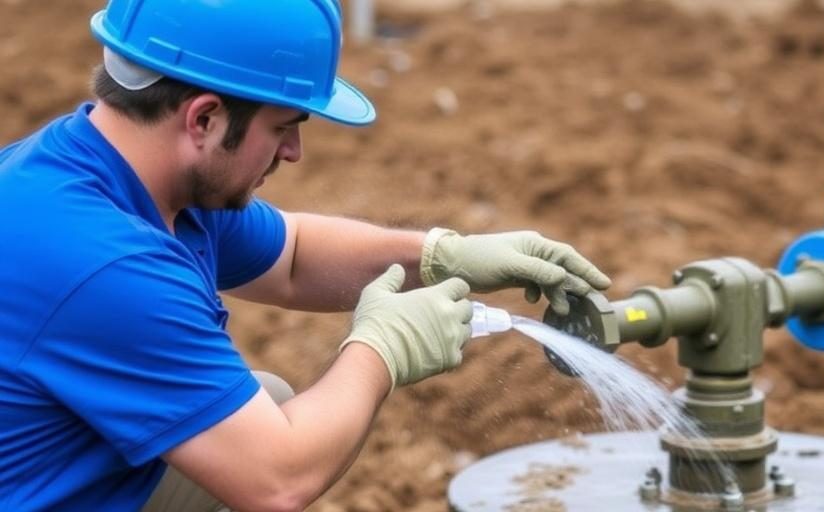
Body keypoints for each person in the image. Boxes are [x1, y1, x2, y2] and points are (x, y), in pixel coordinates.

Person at [0, 1, 611, 511]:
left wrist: (443, 254)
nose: (293, 151)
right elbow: (276, 481)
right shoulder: (105, 266)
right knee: (267, 437)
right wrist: (382, 350)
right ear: (205, 117)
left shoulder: (119, 169)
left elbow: (290, 256)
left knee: (264, 403)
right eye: (284, 125)